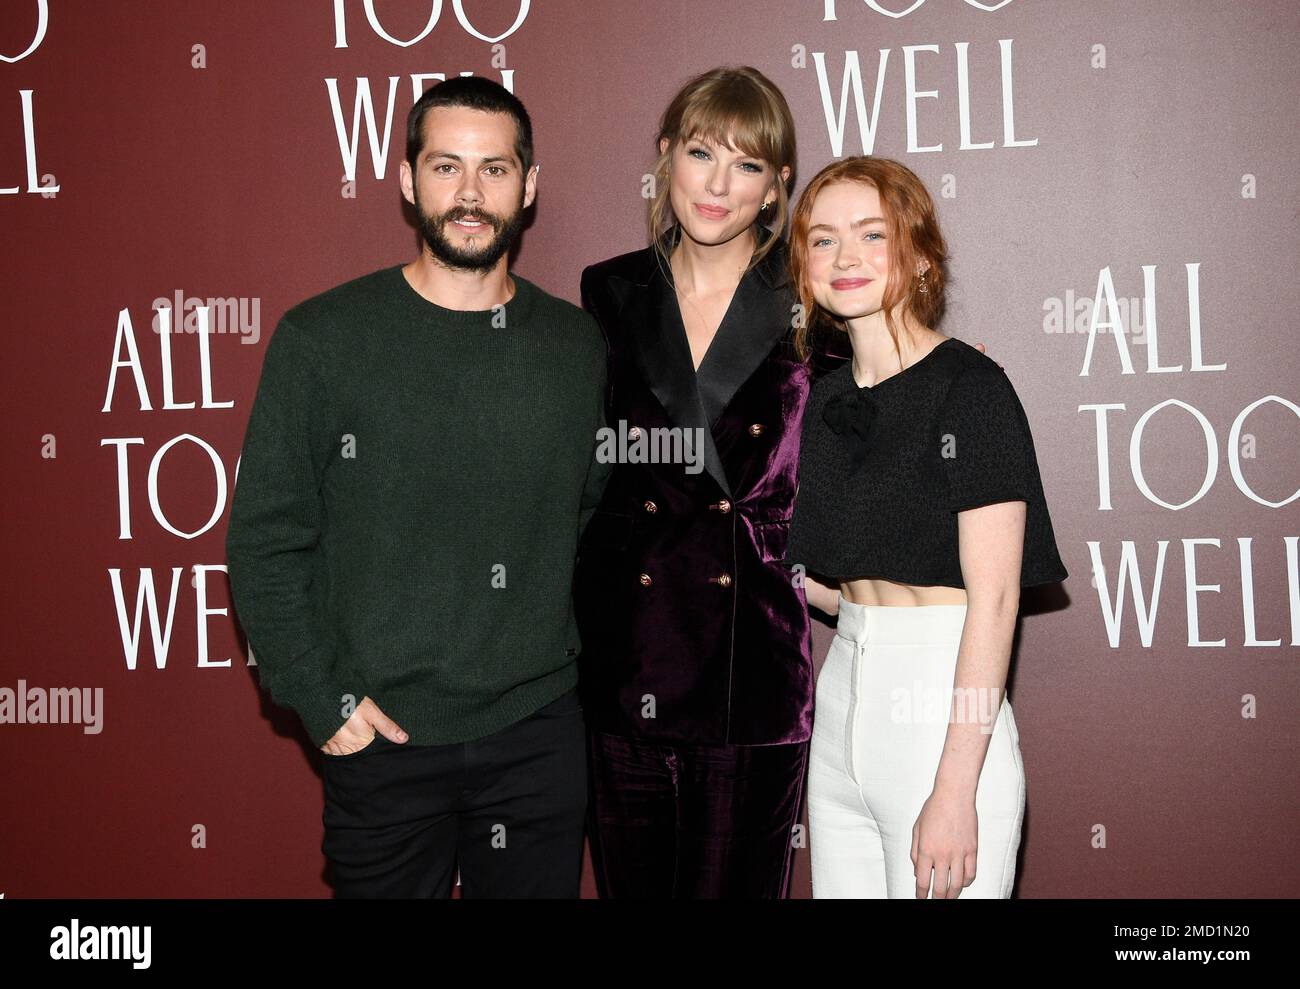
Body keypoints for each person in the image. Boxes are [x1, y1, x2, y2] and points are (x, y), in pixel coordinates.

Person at [225, 76, 610, 898]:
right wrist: (324, 701)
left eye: (495, 169)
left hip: (537, 736)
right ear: (406, 179)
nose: (470, 193)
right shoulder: (323, 338)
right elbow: (265, 540)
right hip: (382, 740)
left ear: (529, 186)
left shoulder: (576, 347)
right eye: (446, 166)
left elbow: (584, 516)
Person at [783, 156, 1069, 899]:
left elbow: (998, 600)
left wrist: (954, 787)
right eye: (821, 239)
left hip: (939, 715)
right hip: (844, 700)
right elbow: (831, 581)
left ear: (916, 253)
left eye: (870, 234)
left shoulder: (971, 389)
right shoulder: (824, 399)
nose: (844, 257)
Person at [575, 65, 824, 899]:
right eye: (700, 152)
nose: (718, 184)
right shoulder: (609, 291)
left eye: (747, 165)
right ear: (664, 159)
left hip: (748, 668)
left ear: (776, 187)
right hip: (626, 665)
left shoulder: (813, 297)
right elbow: (588, 471)